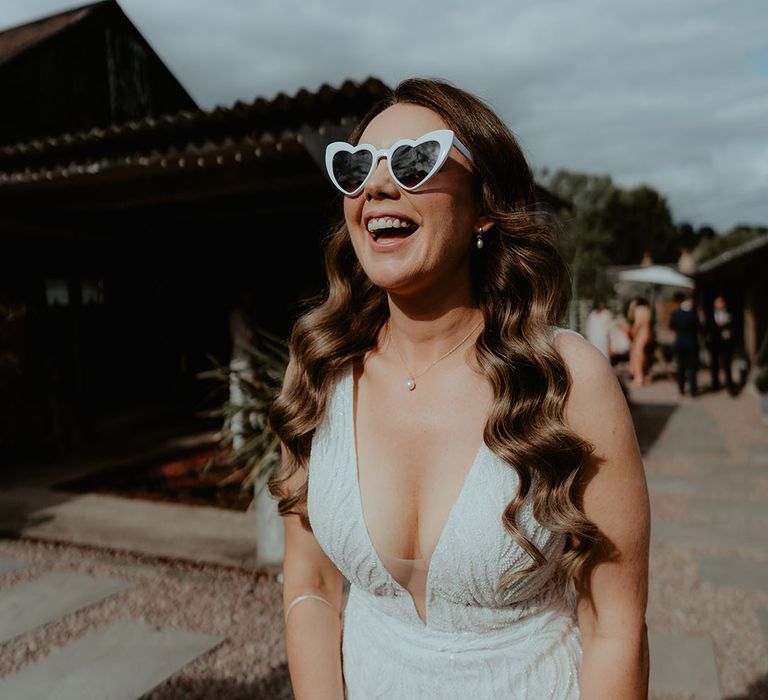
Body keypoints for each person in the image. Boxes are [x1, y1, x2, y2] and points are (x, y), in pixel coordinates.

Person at [268, 78, 650, 699]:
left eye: (418, 161)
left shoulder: (566, 380)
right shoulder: (317, 368)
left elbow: (614, 625)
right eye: (357, 165)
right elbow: (309, 580)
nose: (378, 186)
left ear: (484, 208)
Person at [669, 291, 701, 397]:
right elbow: (699, 328)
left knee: (681, 367)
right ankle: (693, 390)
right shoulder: (693, 315)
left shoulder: (676, 314)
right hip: (691, 344)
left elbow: (671, 326)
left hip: (680, 343)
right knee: (692, 368)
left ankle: (681, 388)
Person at [705, 295, 734, 394]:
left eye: (721, 302)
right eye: (717, 303)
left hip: (726, 343)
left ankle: (729, 385)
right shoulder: (710, 315)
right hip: (714, 344)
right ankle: (715, 384)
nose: (719, 305)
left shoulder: (729, 314)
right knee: (714, 365)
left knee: (727, 364)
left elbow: (733, 327)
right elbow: (706, 328)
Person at [627, 296, 654, 388]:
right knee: (645, 356)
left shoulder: (639, 310)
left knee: (638, 357)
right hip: (648, 334)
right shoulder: (648, 310)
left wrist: (633, 331)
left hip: (641, 336)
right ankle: (647, 377)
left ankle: (639, 379)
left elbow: (637, 323)